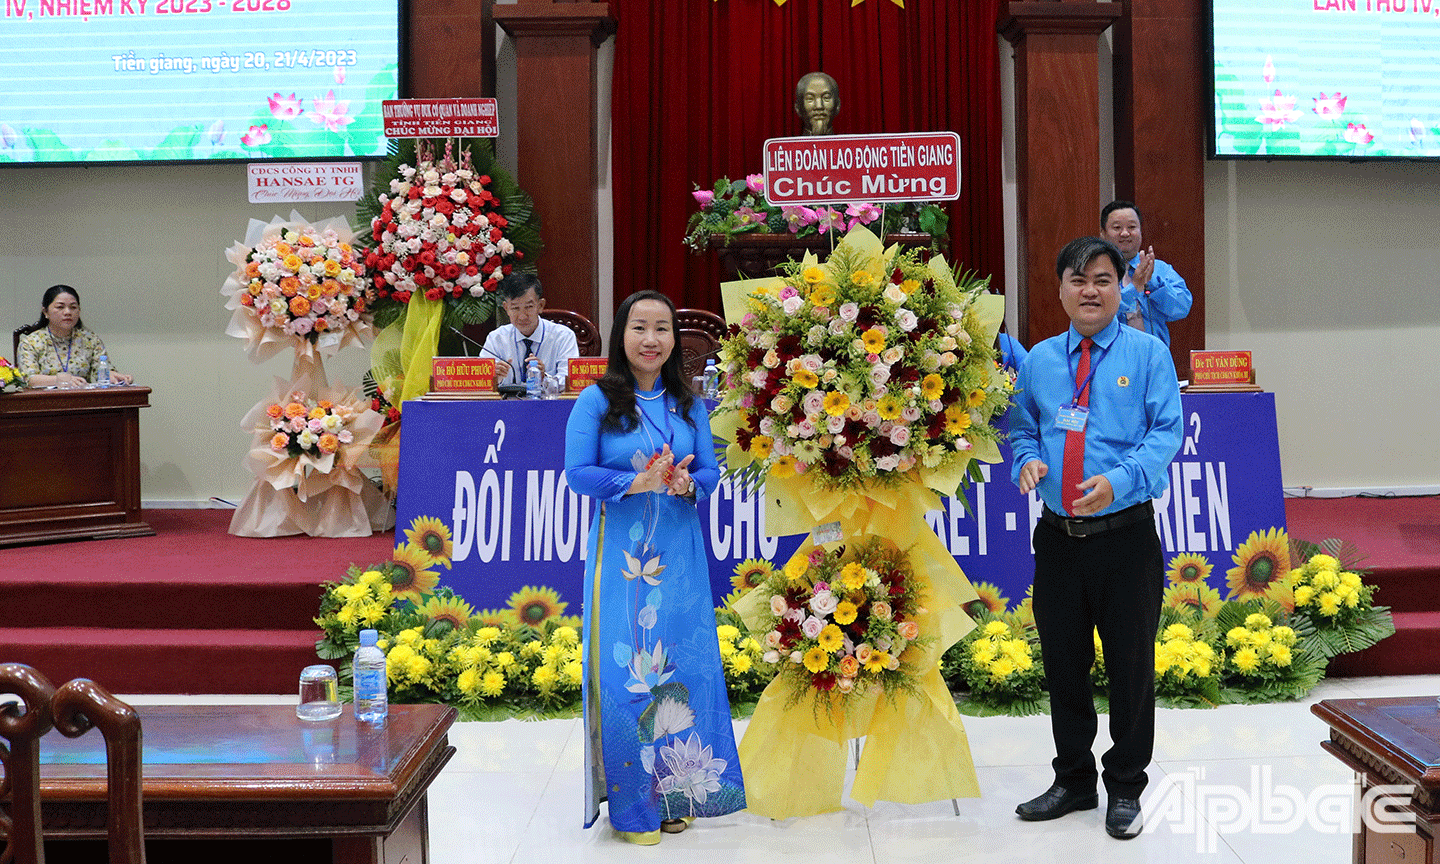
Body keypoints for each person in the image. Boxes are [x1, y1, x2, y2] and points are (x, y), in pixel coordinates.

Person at [1008, 237, 1182, 840]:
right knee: (1063, 664)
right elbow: (1022, 424)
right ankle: (1074, 780)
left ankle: (1127, 787)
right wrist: (1026, 462)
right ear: (1059, 289)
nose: (1091, 291)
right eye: (1079, 280)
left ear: (1120, 286)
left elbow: (1165, 434)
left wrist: (1120, 480)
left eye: (1103, 280)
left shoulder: (1148, 353)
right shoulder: (1041, 359)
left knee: (1131, 665)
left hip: (1125, 536)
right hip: (1057, 538)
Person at [563, 290, 746, 844]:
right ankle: (631, 808)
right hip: (622, 561)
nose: (651, 339)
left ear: (675, 339)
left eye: (662, 328)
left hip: (680, 553)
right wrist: (633, 481)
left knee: (680, 671)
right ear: (622, 336)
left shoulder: (689, 404)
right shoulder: (596, 400)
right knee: (629, 676)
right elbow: (577, 473)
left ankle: (676, 791)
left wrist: (691, 481)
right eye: (639, 327)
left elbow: (712, 473)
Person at [1100, 200, 1192, 348]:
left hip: (1154, 357)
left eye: (1132, 227)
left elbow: (1181, 308)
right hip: (1110, 356)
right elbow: (1099, 314)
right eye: (1117, 227)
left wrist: (1152, 283)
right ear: (1103, 233)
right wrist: (1134, 287)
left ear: (1140, 231)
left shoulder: (1160, 269)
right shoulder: (1096, 272)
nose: (1125, 233)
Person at [17, 284, 133, 387]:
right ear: (45, 312)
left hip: (82, 403)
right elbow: (30, 379)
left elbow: (101, 370)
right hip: (43, 405)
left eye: (73, 307)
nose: (67, 312)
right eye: (60, 307)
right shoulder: (31, 342)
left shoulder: (89, 339)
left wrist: (115, 376)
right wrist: (62, 380)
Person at [481, 273, 578, 391]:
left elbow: (570, 381)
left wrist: (544, 378)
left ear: (540, 305)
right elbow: (482, 382)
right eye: (515, 308)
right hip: (508, 407)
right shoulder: (496, 338)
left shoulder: (563, 336)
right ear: (506, 308)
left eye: (528, 307)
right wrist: (494, 378)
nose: (522, 316)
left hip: (548, 407)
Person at [794, 71, 839, 136]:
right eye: (810, 99)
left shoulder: (851, 146)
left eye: (826, 98)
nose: (819, 106)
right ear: (797, 108)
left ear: (837, 105)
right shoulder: (786, 146)